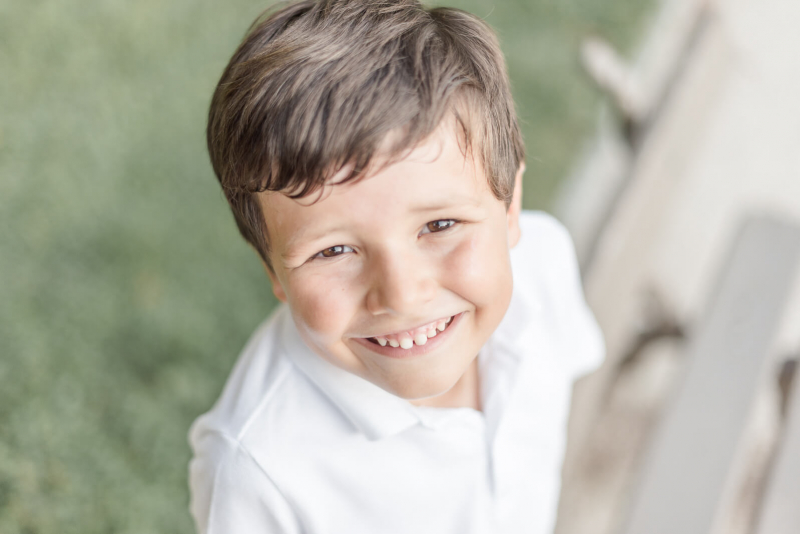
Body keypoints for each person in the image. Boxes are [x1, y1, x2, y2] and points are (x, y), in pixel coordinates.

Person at [188, 1, 604, 533]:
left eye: (439, 226)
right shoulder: (258, 475)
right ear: (273, 271)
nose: (403, 295)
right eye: (334, 251)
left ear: (510, 203)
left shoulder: (542, 265)